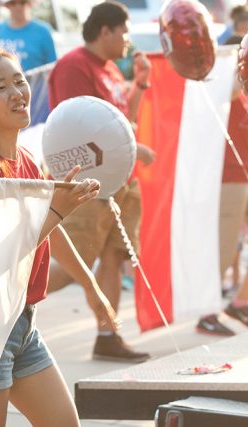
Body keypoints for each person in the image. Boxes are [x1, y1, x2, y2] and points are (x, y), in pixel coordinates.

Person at [0, 47, 118, 427]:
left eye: (19, 81)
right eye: (0, 87)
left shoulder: (26, 159)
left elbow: (50, 235)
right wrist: (57, 211)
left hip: (20, 325)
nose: (17, 92)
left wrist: (92, 288)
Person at [48, 1, 155, 363]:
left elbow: (125, 118)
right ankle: (4, 313)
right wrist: (133, 146)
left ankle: (108, 335)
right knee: (75, 261)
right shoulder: (73, 66)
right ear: (105, 31)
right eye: (123, 30)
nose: (127, 39)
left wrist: (139, 84)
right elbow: (74, 130)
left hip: (119, 180)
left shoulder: (109, 69)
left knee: (114, 255)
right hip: (89, 185)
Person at [198, 34, 248, 335]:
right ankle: (208, 312)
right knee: (225, 245)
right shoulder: (226, 85)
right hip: (230, 175)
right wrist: (238, 66)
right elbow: (228, 93)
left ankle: (241, 301)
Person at [0, 0, 56, 72]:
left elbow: (52, 65)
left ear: (30, 4)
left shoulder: (43, 31)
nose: (18, 7)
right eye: (13, 3)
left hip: (34, 82)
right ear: (7, 5)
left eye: (22, 2)